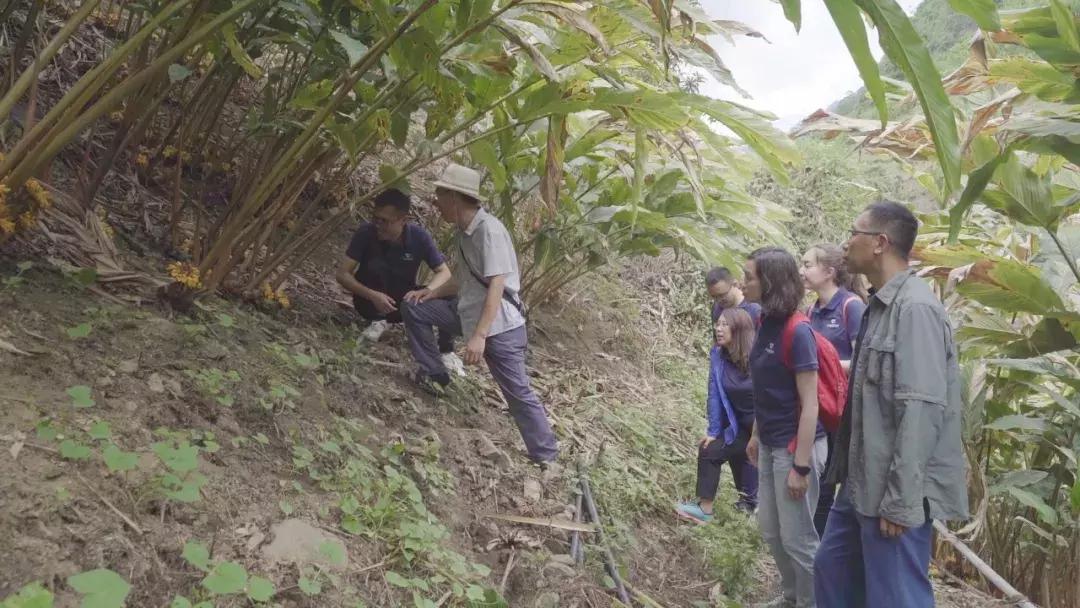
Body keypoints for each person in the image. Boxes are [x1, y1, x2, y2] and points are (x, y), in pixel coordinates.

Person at [814, 201, 968, 608]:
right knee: (832, 573)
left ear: (880, 243)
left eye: (854, 232)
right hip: (860, 482)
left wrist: (900, 501)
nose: (846, 242)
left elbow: (921, 408)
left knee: (895, 597)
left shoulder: (915, 309)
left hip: (892, 490)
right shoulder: (878, 306)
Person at [399, 163, 559, 468]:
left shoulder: (489, 231)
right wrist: (430, 293)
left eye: (440, 194)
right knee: (414, 307)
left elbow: (496, 285)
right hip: (468, 315)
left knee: (516, 391)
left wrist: (480, 336)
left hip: (498, 327)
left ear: (456, 198)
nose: (435, 201)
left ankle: (546, 456)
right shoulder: (464, 233)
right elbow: (465, 279)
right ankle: (435, 375)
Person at [744, 247, 828, 608]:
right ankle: (792, 596)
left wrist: (801, 466)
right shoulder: (764, 322)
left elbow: (811, 404)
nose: (743, 282)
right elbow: (765, 388)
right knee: (771, 531)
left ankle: (813, 602)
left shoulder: (799, 331)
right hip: (769, 442)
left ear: (770, 282)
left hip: (797, 448)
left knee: (799, 539)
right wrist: (755, 435)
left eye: (749, 277)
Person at [334, 189, 465, 375]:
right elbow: (342, 274)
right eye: (376, 219)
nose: (379, 225)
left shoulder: (419, 237)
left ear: (403, 220)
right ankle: (377, 322)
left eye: (385, 221)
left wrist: (428, 290)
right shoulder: (366, 233)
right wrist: (371, 295)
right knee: (376, 267)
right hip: (370, 303)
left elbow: (444, 272)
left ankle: (446, 350)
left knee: (449, 291)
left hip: (404, 303)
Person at [800, 244, 867, 537]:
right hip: (814, 409)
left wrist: (821, 366)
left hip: (840, 412)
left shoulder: (851, 307)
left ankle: (817, 562)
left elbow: (864, 360)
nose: (801, 271)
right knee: (815, 483)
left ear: (828, 272)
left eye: (807, 264)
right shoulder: (810, 310)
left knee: (827, 485)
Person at [676, 307, 759, 523]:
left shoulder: (759, 357)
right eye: (717, 324)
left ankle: (754, 508)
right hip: (739, 425)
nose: (718, 328)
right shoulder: (718, 355)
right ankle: (705, 510)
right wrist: (713, 431)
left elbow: (770, 397)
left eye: (724, 324)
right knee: (710, 449)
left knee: (761, 473)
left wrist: (758, 435)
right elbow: (714, 393)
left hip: (767, 427)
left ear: (739, 329)